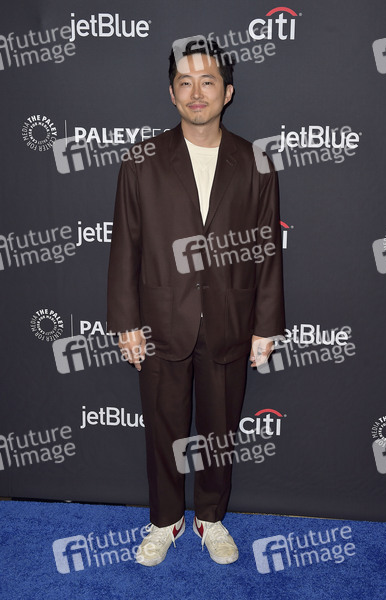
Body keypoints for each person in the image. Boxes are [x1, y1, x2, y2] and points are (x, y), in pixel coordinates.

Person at [107, 38, 285, 567]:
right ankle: (165, 520)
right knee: (163, 428)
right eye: (185, 83)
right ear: (172, 93)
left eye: (208, 81)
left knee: (220, 430)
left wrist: (266, 324)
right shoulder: (141, 160)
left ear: (227, 92)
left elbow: (266, 248)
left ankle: (210, 517)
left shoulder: (255, 161)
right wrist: (126, 322)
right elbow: (126, 246)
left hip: (231, 317)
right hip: (161, 319)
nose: (196, 92)